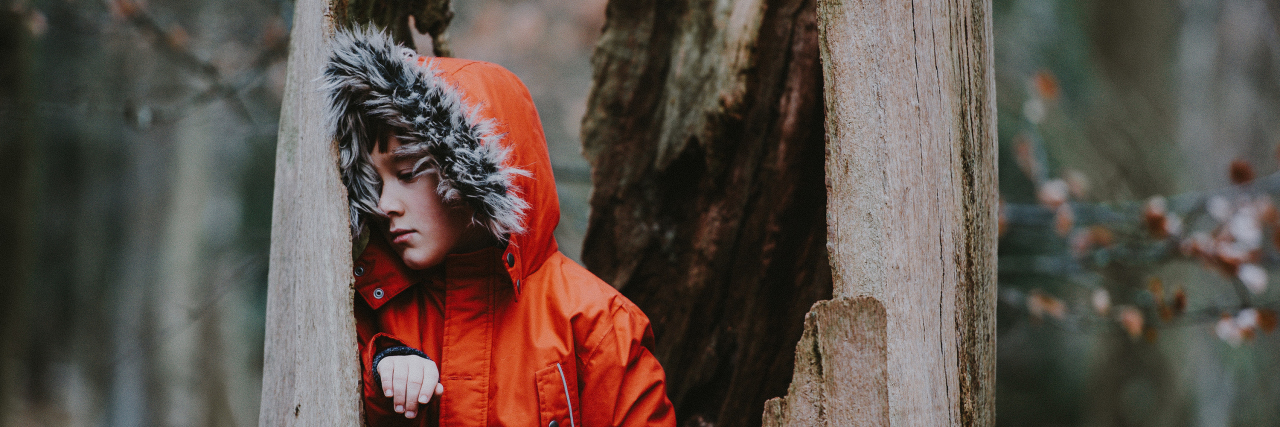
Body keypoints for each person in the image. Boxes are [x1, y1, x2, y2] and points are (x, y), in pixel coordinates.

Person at [322, 27, 677, 426]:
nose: (384, 205)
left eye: (406, 174)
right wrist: (382, 376)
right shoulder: (368, 310)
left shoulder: (597, 324)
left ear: (466, 171)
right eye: (374, 183)